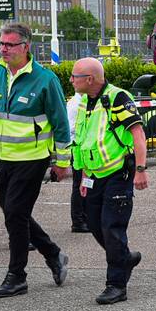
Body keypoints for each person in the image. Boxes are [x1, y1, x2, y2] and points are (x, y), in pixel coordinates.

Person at [0, 22, 72, 299]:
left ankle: (17, 276)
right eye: (1, 44)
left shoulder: (45, 79)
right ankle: (53, 254)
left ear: (26, 47)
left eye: (9, 45)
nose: (4, 49)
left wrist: (62, 161)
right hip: (4, 157)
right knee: (13, 213)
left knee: (15, 214)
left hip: (33, 158)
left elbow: (61, 124)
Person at [69, 57, 150, 305]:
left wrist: (140, 169)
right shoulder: (83, 102)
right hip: (94, 175)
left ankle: (116, 285)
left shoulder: (117, 98)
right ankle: (125, 258)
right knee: (94, 225)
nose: (71, 80)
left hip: (118, 173)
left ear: (90, 79)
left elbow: (138, 134)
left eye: (75, 76)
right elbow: (82, 140)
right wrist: (83, 175)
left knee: (112, 228)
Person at [66, 91, 89, 233]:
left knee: (86, 184)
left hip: (84, 150)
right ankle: (78, 221)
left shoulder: (83, 102)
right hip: (79, 150)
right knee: (80, 184)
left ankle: (84, 219)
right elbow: (72, 129)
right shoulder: (76, 104)